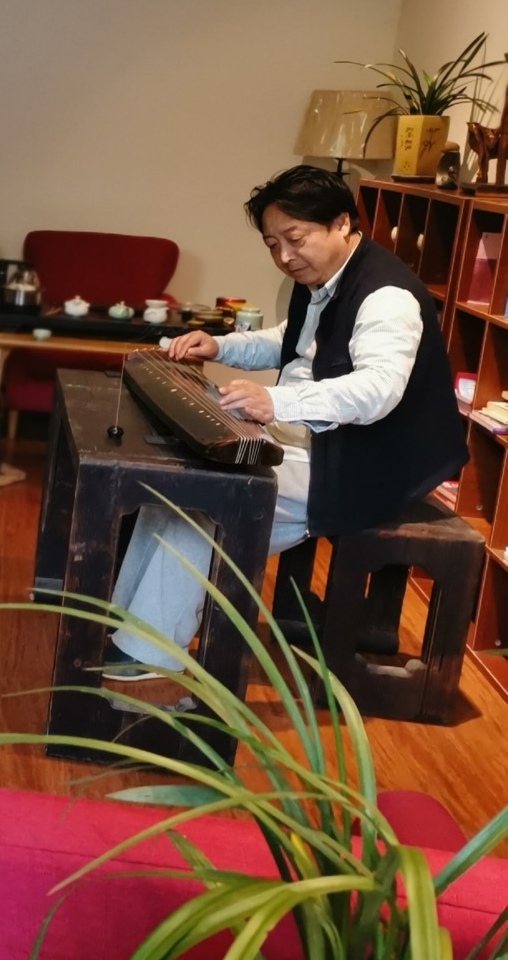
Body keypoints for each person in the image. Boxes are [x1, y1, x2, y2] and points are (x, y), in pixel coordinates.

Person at [103, 164, 467, 681]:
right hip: (310, 442)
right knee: (176, 486)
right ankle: (124, 624)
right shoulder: (324, 277)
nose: (284, 257)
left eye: (295, 239)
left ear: (342, 223)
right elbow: (291, 341)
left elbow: (378, 390)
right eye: (272, 244)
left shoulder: (387, 297)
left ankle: (152, 652)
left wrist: (276, 402)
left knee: (208, 502)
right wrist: (220, 346)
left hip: (365, 463)